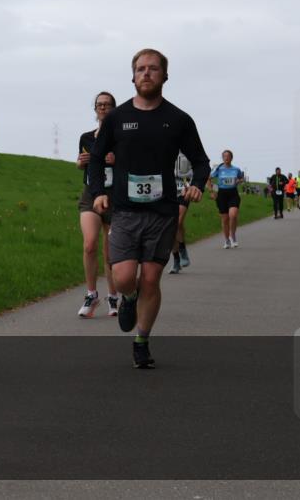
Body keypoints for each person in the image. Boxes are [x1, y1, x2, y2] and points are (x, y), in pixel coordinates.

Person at [90, 48, 210, 369]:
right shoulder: (118, 118)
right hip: (126, 210)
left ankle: (141, 340)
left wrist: (197, 183)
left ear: (164, 76)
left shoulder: (178, 120)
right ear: (132, 76)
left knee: (151, 279)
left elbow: (200, 161)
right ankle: (127, 300)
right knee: (125, 276)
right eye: (140, 68)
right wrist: (98, 191)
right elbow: (97, 157)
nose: (146, 73)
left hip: (162, 211)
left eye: (153, 69)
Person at [75, 92, 118, 317]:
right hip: (91, 194)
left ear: (114, 108)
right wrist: (80, 163)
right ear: (95, 109)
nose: (102, 108)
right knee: (89, 245)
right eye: (99, 105)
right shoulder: (86, 137)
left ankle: (113, 296)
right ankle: (92, 295)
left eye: (107, 104)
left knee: (110, 253)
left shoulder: (121, 137)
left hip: (114, 196)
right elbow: (82, 164)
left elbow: (134, 163)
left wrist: (117, 160)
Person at [209, 150, 244, 248]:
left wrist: (238, 181)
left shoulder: (236, 169)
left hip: (233, 193)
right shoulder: (218, 169)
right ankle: (227, 240)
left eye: (228, 156)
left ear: (231, 158)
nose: (226, 158)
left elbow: (241, 178)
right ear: (222, 158)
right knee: (225, 219)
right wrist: (212, 191)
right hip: (222, 195)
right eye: (224, 156)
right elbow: (208, 178)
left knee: (233, 215)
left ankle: (233, 236)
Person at [168, 151, 194, 274]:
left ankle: (183, 250)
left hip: (184, 190)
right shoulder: (164, 145)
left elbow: (198, 169)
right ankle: (176, 260)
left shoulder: (188, 149)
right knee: (171, 226)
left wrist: (191, 186)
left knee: (177, 222)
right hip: (168, 191)